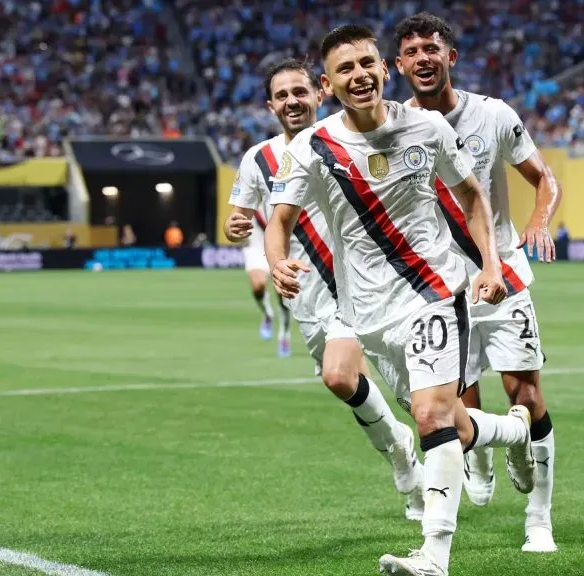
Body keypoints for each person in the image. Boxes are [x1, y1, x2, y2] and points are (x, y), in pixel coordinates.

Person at [265, 25, 536, 576]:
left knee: (431, 417)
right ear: (328, 85)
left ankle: (434, 554)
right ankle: (513, 431)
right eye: (345, 69)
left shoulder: (428, 127)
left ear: (384, 69)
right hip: (367, 313)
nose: (359, 75)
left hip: (434, 291)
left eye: (367, 63)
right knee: (452, 424)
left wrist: (489, 264)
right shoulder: (311, 146)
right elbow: (280, 221)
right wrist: (276, 262)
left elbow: (471, 196)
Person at [223, 58, 425, 520]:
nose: (292, 101)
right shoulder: (259, 159)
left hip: (367, 287)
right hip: (308, 297)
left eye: (300, 91)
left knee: (366, 383)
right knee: (348, 383)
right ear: (270, 105)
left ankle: (445, 453)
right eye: (282, 95)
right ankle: (404, 455)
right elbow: (240, 218)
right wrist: (234, 227)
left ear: (320, 91)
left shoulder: (346, 139)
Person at [395, 12, 560, 553]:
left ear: (451, 57)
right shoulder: (396, 128)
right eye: (412, 51)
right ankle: (488, 448)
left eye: (431, 48)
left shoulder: (492, 114)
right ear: (400, 65)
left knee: (527, 394)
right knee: (455, 404)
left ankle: (539, 521)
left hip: (503, 271)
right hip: (442, 290)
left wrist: (539, 220)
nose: (423, 58)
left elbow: (544, 179)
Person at [237, 175, 293, 350]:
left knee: (282, 293)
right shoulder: (248, 190)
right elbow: (236, 215)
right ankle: (268, 313)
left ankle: (284, 332)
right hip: (255, 245)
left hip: (278, 245)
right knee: (258, 286)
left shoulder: (283, 191)